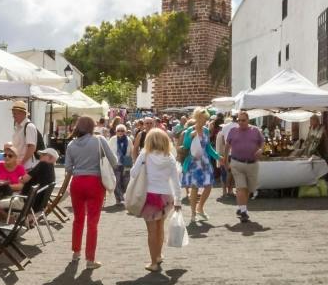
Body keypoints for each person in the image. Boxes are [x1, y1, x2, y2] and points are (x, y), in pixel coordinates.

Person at [63, 116, 121, 271]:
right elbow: (114, 161)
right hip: (95, 182)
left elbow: (68, 168)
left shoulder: (71, 144)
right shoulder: (99, 140)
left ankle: (76, 252)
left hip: (77, 182)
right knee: (92, 222)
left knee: (78, 219)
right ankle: (90, 259)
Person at [132, 128, 184, 273]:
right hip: (166, 196)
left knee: (151, 231)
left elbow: (133, 173)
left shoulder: (145, 155)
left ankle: (153, 261)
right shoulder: (170, 157)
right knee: (160, 227)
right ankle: (159, 255)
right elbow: (176, 181)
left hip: (150, 195)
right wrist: (178, 201)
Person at [224, 110, 266, 225]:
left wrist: (261, 149)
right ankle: (243, 212)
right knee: (241, 187)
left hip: (252, 164)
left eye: (243, 120)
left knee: (248, 189)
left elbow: (262, 142)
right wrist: (225, 161)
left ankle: (241, 206)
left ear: (248, 120)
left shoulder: (255, 130)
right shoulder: (233, 131)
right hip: (237, 163)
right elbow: (227, 146)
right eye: (239, 120)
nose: (241, 122)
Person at [179, 107, 215, 223]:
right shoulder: (190, 130)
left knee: (208, 186)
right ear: (197, 118)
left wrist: (218, 157)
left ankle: (200, 207)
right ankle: (193, 213)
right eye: (203, 118)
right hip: (193, 162)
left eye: (206, 119)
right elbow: (185, 146)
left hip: (205, 162)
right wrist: (191, 137)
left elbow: (208, 147)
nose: (205, 121)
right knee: (194, 188)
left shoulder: (206, 130)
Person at [7, 102, 40, 169]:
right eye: (13, 113)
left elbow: (31, 148)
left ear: (22, 113)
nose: (13, 116)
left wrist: (22, 163)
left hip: (27, 167)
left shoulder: (29, 127)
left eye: (15, 113)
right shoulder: (18, 128)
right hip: (19, 165)